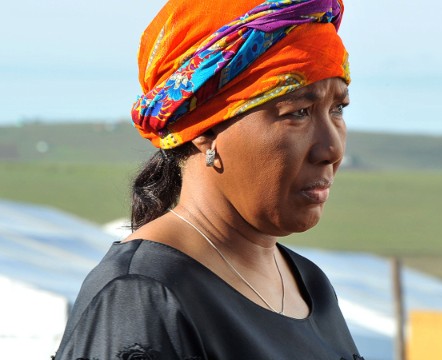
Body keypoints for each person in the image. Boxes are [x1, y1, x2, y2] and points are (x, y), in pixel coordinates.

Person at [54, 0, 364, 359]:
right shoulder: (142, 296)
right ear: (205, 128)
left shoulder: (310, 285)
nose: (331, 149)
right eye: (297, 112)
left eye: (337, 108)